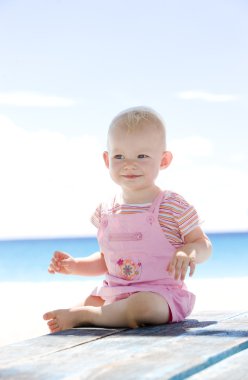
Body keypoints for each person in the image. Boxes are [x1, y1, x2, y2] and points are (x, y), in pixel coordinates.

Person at [43, 106, 212, 332]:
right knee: (86, 307)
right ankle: (89, 314)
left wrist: (188, 252)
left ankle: (88, 316)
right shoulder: (105, 210)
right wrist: (75, 265)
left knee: (144, 308)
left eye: (142, 156)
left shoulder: (171, 205)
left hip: (161, 294)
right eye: (119, 156)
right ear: (107, 159)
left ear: (163, 160)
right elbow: (107, 261)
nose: (129, 164)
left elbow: (204, 245)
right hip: (113, 293)